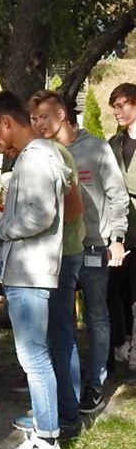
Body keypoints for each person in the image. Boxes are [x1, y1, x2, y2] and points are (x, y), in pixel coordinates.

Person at [0, 91, 70, 449]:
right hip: (25, 271)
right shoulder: (34, 159)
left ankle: (48, 442)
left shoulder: (35, 159)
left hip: (31, 273)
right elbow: (31, 212)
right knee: (32, 357)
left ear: (6, 121)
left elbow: (40, 217)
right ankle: (39, 437)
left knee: (35, 358)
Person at [29, 91, 129, 416]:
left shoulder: (96, 148)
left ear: (61, 115)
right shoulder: (41, 152)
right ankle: (64, 381)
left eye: (43, 116)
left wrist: (117, 239)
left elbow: (117, 195)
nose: (38, 124)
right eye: (33, 119)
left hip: (94, 247)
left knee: (96, 314)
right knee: (61, 318)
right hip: (56, 251)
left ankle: (95, 383)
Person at [107, 83, 136, 372]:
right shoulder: (112, 144)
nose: (118, 111)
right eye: (114, 106)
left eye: (123, 104)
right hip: (117, 232)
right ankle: (119, 343)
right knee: (112, 291)